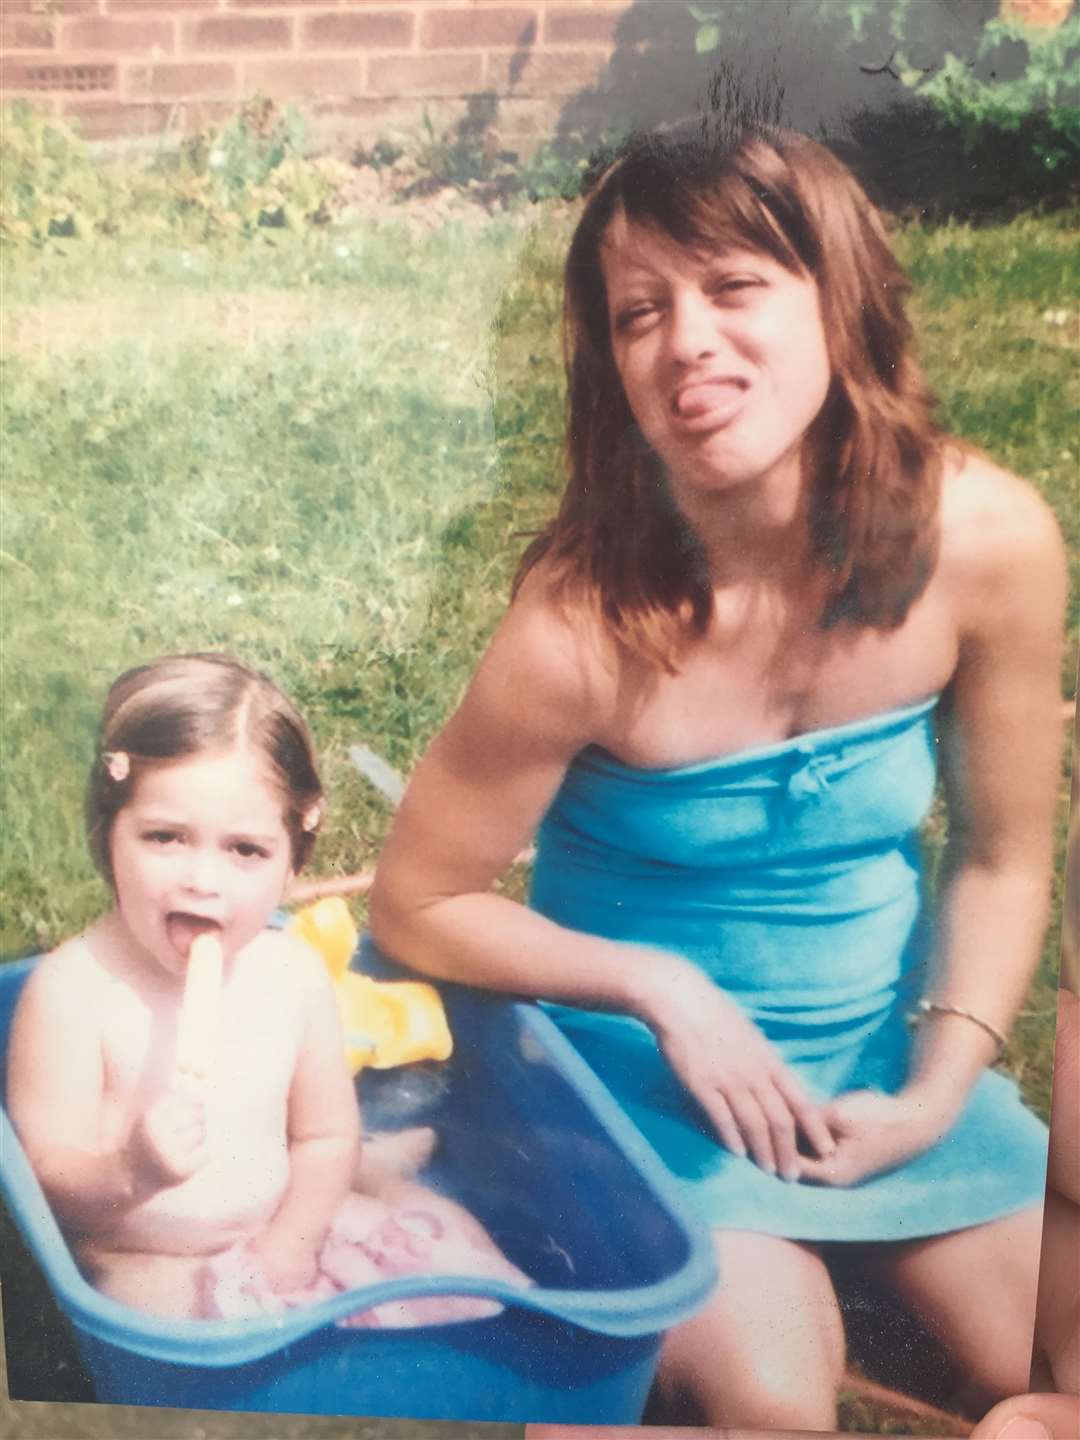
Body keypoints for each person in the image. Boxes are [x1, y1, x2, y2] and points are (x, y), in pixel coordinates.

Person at [369, 122, 1068, 1431]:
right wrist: (659, 984)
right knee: (768, 1397)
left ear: (838, 301)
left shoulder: (989, 545)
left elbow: (1001, 857)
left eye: (735, 286)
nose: (686, 339)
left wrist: (932, 1094)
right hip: (635, 1093)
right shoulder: (578, 629)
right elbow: (417, 900)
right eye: (641, 314)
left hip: (871, 1065)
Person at [6, 653, 525, 1324]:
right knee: (184, 1347)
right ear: (108, 836)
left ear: (292, 860)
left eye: (245, 850)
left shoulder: (292, 975)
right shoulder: (72, 994)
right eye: (165, 837)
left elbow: (321, 1137)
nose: (203, 880)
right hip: (147, 1255)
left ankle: (377, 1175)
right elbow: (43, 1183)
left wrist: (291, 1246)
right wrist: (132, 1170)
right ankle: (377, 1173)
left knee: (465, 1271)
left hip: (288, 1218)